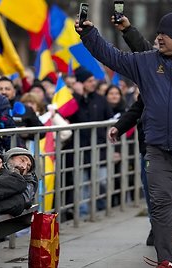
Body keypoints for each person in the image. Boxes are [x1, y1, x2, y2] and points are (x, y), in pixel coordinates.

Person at [76, 11, 172, 268]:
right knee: (160, 205)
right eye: (157, 33)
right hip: (159, 148)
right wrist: (89, 34)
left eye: (164, 34)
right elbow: (112, 56)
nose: (158, 38)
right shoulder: (147, 62)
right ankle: (165, 260)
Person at [66, 66, 113, 217]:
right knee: (82, 184)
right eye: (89, 81)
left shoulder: (100, 99)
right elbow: (71, 116)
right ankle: (83, 214)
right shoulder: (73, 99)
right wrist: (79, 97)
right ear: (81, 83)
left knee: (102, 182)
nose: (93, 83)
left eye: (93, 80)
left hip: (99, 149)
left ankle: (102, 209)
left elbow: (110, 120)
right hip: (78, 149)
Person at [0, 76, 43, 147]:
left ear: (14, 92)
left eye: (7, 89)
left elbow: (42, 132)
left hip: (18, 152)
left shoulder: (26, 109)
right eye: (0, 89)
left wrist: (27, 133)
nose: (3, 92)